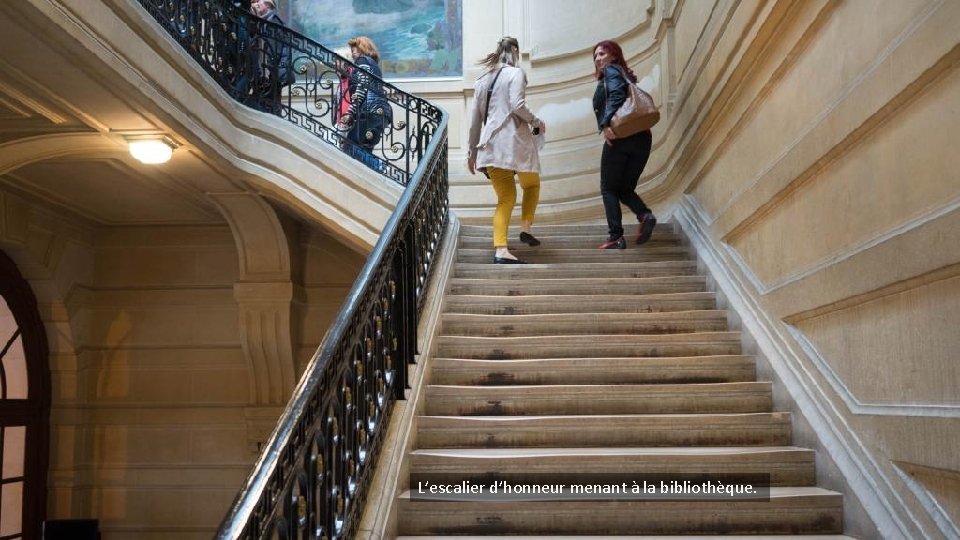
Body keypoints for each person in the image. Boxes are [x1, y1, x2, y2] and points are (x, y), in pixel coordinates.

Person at [466, 37, 546, 264]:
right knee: (532, 184)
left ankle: (501, 249)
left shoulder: (482, 80)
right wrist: (537, 121)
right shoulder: (516, 73)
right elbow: (517, 105)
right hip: (514, 143)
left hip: (489, 146)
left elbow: (475, 121)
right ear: (515, 51)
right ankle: (525, 227)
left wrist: (471, 153)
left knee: (506, 198)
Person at [592, 39, 657, 249]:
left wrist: (606, 123)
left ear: (613, 54)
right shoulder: (625, 74)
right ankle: (645, 215)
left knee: (608, 188)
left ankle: (615, 236)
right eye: (595, 56)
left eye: (602, 53)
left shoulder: (612, 71)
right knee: (625, 189)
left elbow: (618, 95)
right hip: (642, 138)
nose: (598, 59)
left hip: (620, 137)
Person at [337, 36, 393, 171]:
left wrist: (350, 113)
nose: (352, 54)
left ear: (362, 48)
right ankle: (376, 171)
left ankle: (380, 166)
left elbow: (361, 88)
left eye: (354, 50)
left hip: (368, 110)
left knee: (349, 146)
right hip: (381, 112)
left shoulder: (362, 61)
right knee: (365, 150)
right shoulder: (374, 65)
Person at [252, 0, 294, 113]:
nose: (256, 4)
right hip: (267, 73)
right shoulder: (263, 21)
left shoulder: (273, 22)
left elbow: (274, 51)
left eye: (258, 1)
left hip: (272, 74)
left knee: (270, 107)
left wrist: (267, 71)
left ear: (267, 4)